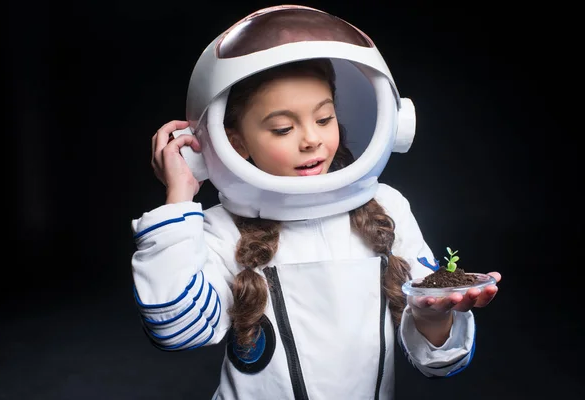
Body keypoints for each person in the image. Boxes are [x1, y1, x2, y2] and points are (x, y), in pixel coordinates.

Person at [130, 5, 501, 400]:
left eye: (324, 119)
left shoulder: (387, 208)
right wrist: (178, 198)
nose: (311, 139)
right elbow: (178, 330)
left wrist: (432, 315)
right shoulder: (222, 229)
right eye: (283, 128)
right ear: (234, 141)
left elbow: (438, 362)